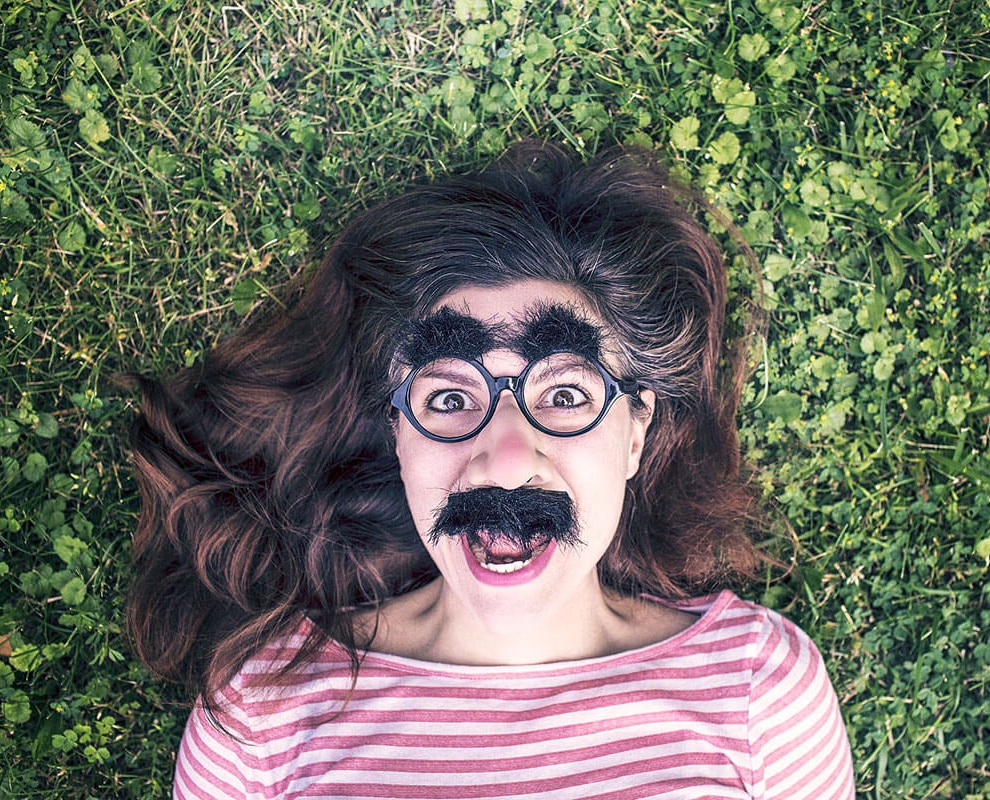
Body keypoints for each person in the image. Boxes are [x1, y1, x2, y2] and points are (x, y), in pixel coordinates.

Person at [127, 141, 856, 799]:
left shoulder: (759, 689)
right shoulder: (265, 712)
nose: (507, 458)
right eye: (449, 396)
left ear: (636, 432)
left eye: (565, 394)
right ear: (398, 434)